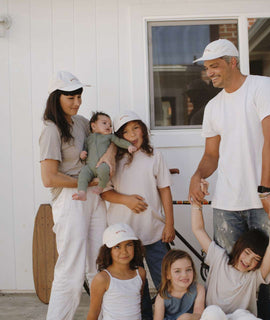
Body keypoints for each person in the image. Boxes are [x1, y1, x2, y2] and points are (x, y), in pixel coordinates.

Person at [188, 39, 270, 319]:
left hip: (264, 199)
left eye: (215, 66)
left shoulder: (263, 86)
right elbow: (211, 155)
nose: (210, 73)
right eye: (207, 68)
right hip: (226, 204)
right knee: (230, 272)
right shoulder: (213, 107)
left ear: (233, 62)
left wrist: (265, 190)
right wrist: (197, 175)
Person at [39, 71, 110, 320]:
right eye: (70, 97)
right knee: (71, 269)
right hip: (70, 200)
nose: (77, 102)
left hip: (93, 198)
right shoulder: (51, 130)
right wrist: (83, 183)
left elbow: (102, 148)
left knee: (100, 263)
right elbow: (49, 178)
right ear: (56, 98)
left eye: (79, 96)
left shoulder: (80, 122)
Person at [100, 110, 175, 320]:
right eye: (125, 131)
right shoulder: (113, 159)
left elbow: (165, 189)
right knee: (136, 287)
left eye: (135, 127)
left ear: (143, 129)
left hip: (154, 232)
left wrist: (170, 223)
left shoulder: (154, 156)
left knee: (166, 281)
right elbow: (105, 191)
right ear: (118, 136)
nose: (132, 134)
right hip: (126, 237)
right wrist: (127, 200)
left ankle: (169, 316)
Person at [191, 184, 270, 319]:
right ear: (239, 247)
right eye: (247, 253)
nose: (248, 261)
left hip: (240, 317)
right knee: (212, 311)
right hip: (215, 317)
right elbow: (198, 229)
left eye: (256, 259)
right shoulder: (218, 258)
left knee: (244, 316)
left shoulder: (255, 276)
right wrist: (197, 203)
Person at [87, 223, 146, 320]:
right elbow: (94, 313)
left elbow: (137, 304)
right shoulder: (102, 279)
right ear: (108, 251)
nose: (124, 252)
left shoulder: (140, 273)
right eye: (117, 247)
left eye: (129, 245)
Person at [72, 112, 136, 201]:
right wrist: (83, 154)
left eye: (110, 125)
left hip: (103, 164)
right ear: (93, 126)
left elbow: (119, 141)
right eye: (104, 123)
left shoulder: (110, 137)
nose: (108, 126)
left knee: (104, 170)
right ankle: (82, 192)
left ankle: (101, 187)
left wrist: (129, 146)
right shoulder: (88, 138)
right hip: (89, 167)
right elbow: (85, 148)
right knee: (83, 174)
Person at [154, 250, 205, 320]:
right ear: (168, 275)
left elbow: (199, 314)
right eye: (177, 271)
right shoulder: (162, 297)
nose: (184, 275)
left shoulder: (199, 289)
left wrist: (189, 317)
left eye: (188, 269)